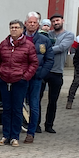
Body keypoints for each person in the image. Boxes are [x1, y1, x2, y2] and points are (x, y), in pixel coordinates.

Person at [0, 19, 38, 147]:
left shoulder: (28, 45)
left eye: (16, 27)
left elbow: (34, 63)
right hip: (5, 80)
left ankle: (15, 137)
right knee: (6, 109)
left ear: (22, 29)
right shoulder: (4, 44)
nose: (13, 29)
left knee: (17, 109)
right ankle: (5, 135)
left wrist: (25, 76)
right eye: (11, 27)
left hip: (20, 81)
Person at [23, 12, 53, 144]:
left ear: (38, 25)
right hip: (20, 78)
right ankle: (16, 130)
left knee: (34, 105)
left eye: (35, 22)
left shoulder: (44, 40)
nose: (32, 24)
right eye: (30, 22)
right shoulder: (19, 37)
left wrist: (41, 74)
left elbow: (49, 59)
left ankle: (31, 132)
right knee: (18, 104)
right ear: (25, 23)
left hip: (36, 78)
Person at [44, 14, 72, 132]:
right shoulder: (47, 34)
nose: (56, 23)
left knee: (53, 100)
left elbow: (62, 47)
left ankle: (49, 125)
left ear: (62, 21)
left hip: (57, 72)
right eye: (53, 21)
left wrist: (45, 49)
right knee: (37, 99)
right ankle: (35, 125)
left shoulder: (69, 35)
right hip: (44, 70)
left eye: (57, 20)